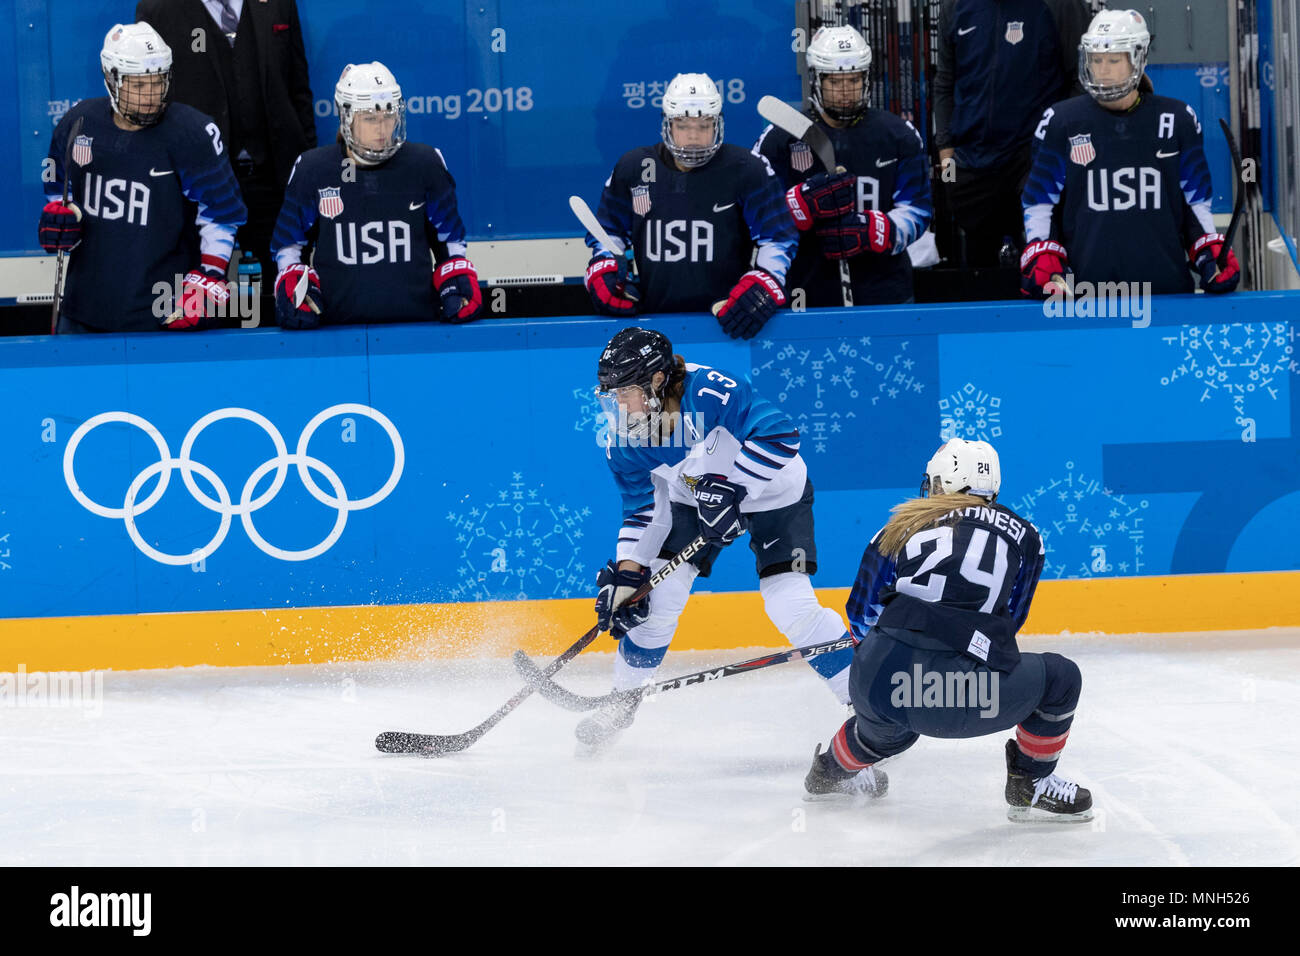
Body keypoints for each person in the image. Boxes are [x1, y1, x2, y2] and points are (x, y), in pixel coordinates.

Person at [578, 326, 857, 752]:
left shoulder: (709, 392)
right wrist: (629, 575)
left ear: (656, 381)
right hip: (691, 501)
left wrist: (735, 487)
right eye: (612, 394)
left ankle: (867, 710)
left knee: (790, 605)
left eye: (626, 392)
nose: (619, 404)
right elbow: (642, 511)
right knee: (656, 600)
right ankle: (621, 702)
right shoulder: (626, 440)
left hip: (775, 492)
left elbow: (780, 433)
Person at [803, 438, 1091, 821]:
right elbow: (1009, 623)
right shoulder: (1026, 537)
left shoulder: (899, 525)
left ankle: (829, 772)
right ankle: (1031, 782)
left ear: (943, 484)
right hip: (954, 695)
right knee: (1061, 678)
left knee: (891, 723)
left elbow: (860, 614)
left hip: (879, 679)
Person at [38, 22, 247, 333]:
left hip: (165, 311)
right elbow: (57, 187)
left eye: (157, 82)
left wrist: (210, 275)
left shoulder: (192, 133)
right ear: (111, 78)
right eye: (137, 86)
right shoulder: (78, 123)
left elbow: (221, 215)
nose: (150, 96)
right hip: (84, 308)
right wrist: (60, 218)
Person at [1020, 9, 1240, 297]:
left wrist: (1211, 253)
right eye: (1096, 60)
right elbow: (1039, 203)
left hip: (1166, 294)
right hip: (1088, 299)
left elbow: (1195, 205)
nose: (1103, 69)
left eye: (1113, 60)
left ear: (1138, 59)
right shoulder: (1060, 122)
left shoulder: (1177, 119)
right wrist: (1042, 258)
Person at [136, 0, 317, 314]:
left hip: (272, 183)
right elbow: (150, 104)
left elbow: (298, 90)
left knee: (286, 301)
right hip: (197, 190)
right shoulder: (158, 9)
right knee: (193, 303)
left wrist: (308, 172)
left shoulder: (277, 4)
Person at [583, 73, 796, 340]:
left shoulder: (747, 169)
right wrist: (605, 268)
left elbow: (778, 237)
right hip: (653, 324)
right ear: (667, 125)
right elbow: (608, 232)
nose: (694, 137)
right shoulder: (633, 167)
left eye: (704, 125)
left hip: (726, 326)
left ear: (718, 125)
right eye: (683, 126)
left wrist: (764, 282)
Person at [269, 62, 481, 328]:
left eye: (388, 116)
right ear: (346, 117)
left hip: (418, 328)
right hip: (336, 332)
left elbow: (449, 241)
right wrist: (293, 279)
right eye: (370, 118)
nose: (382, 129)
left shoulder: (425, 164)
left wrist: (456, 276)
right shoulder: (314, 170)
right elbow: (289, 244)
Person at [755, 25, 932, 306]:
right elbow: (756, 218)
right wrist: (798, 205)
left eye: (854, 80)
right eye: (835, 83)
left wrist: (874, 230)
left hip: (885, 289)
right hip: (806, 289)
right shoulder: (780, 138)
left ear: (867, 79)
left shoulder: (899, 135)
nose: (846, 91)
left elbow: (919, 210)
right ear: (816, 80)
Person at [933, 0, 1086, 267]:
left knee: (1040, 266)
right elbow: (944, 82)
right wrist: (946, 155)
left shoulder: (1062, 5)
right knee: (975, 274)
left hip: (1032, 159)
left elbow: (1080, 79)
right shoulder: (953, 7)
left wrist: (1058, 145)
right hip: (968, 164)